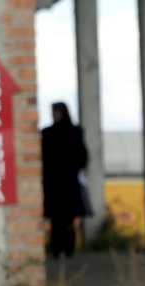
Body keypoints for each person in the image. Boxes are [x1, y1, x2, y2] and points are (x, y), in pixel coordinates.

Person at [40, 101, 89, 257]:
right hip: (55, 182)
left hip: (67, 182)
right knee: (56, 219)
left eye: (58, 112)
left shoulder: (73, 132)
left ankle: (68, 249)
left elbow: (82, 156)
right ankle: (56, 249)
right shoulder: (48, 133)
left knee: (67, 218)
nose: (56, 115)